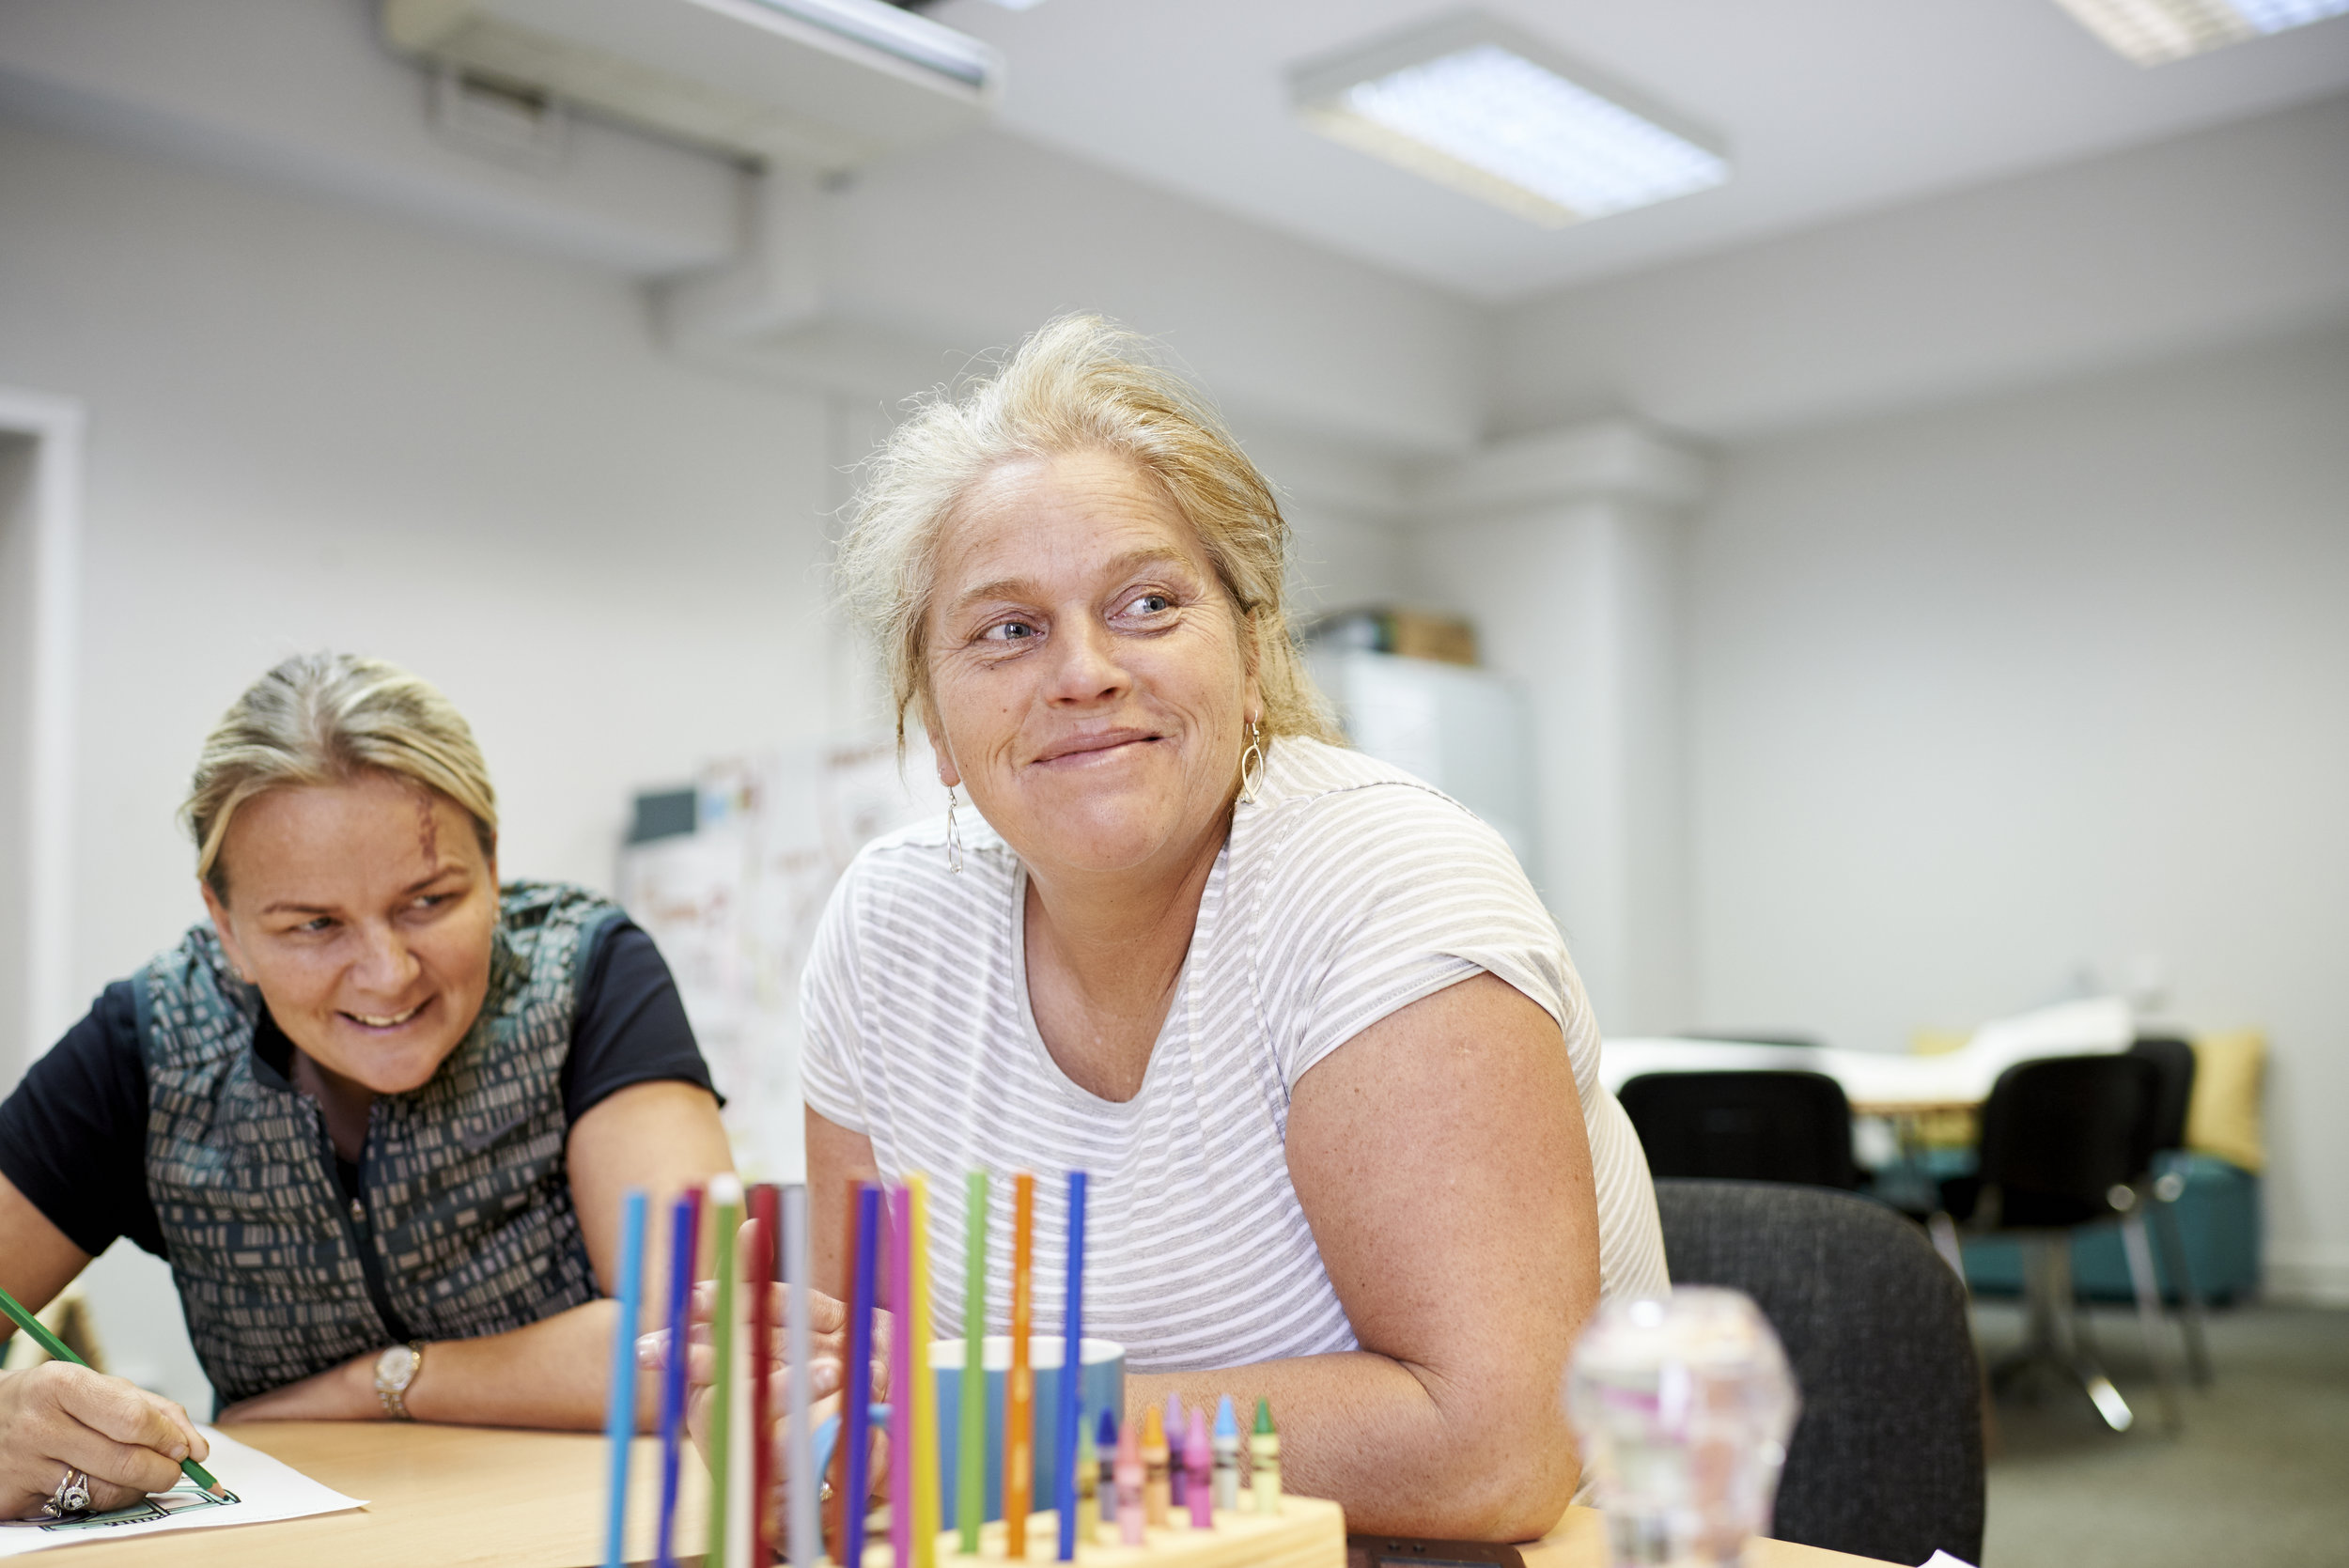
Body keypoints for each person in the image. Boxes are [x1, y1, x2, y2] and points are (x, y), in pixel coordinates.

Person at [679, 316, 1670, 1542]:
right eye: (1007, 628)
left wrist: (1016, 1427)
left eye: (1147, 603)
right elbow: (856, 1412)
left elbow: (1492, 1455)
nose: (1083, 670)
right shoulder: (891, 935)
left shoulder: (1382, 887)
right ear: (933, 716)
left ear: (1252, 659)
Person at [0, 653, 732, 1520]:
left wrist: (382, 1380)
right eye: (314, 924)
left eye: (428, 900)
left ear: (492, 866)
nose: (386, 974)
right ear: (226, 923)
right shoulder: (149, 1044)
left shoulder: (588, 974)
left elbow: (699, 1344)